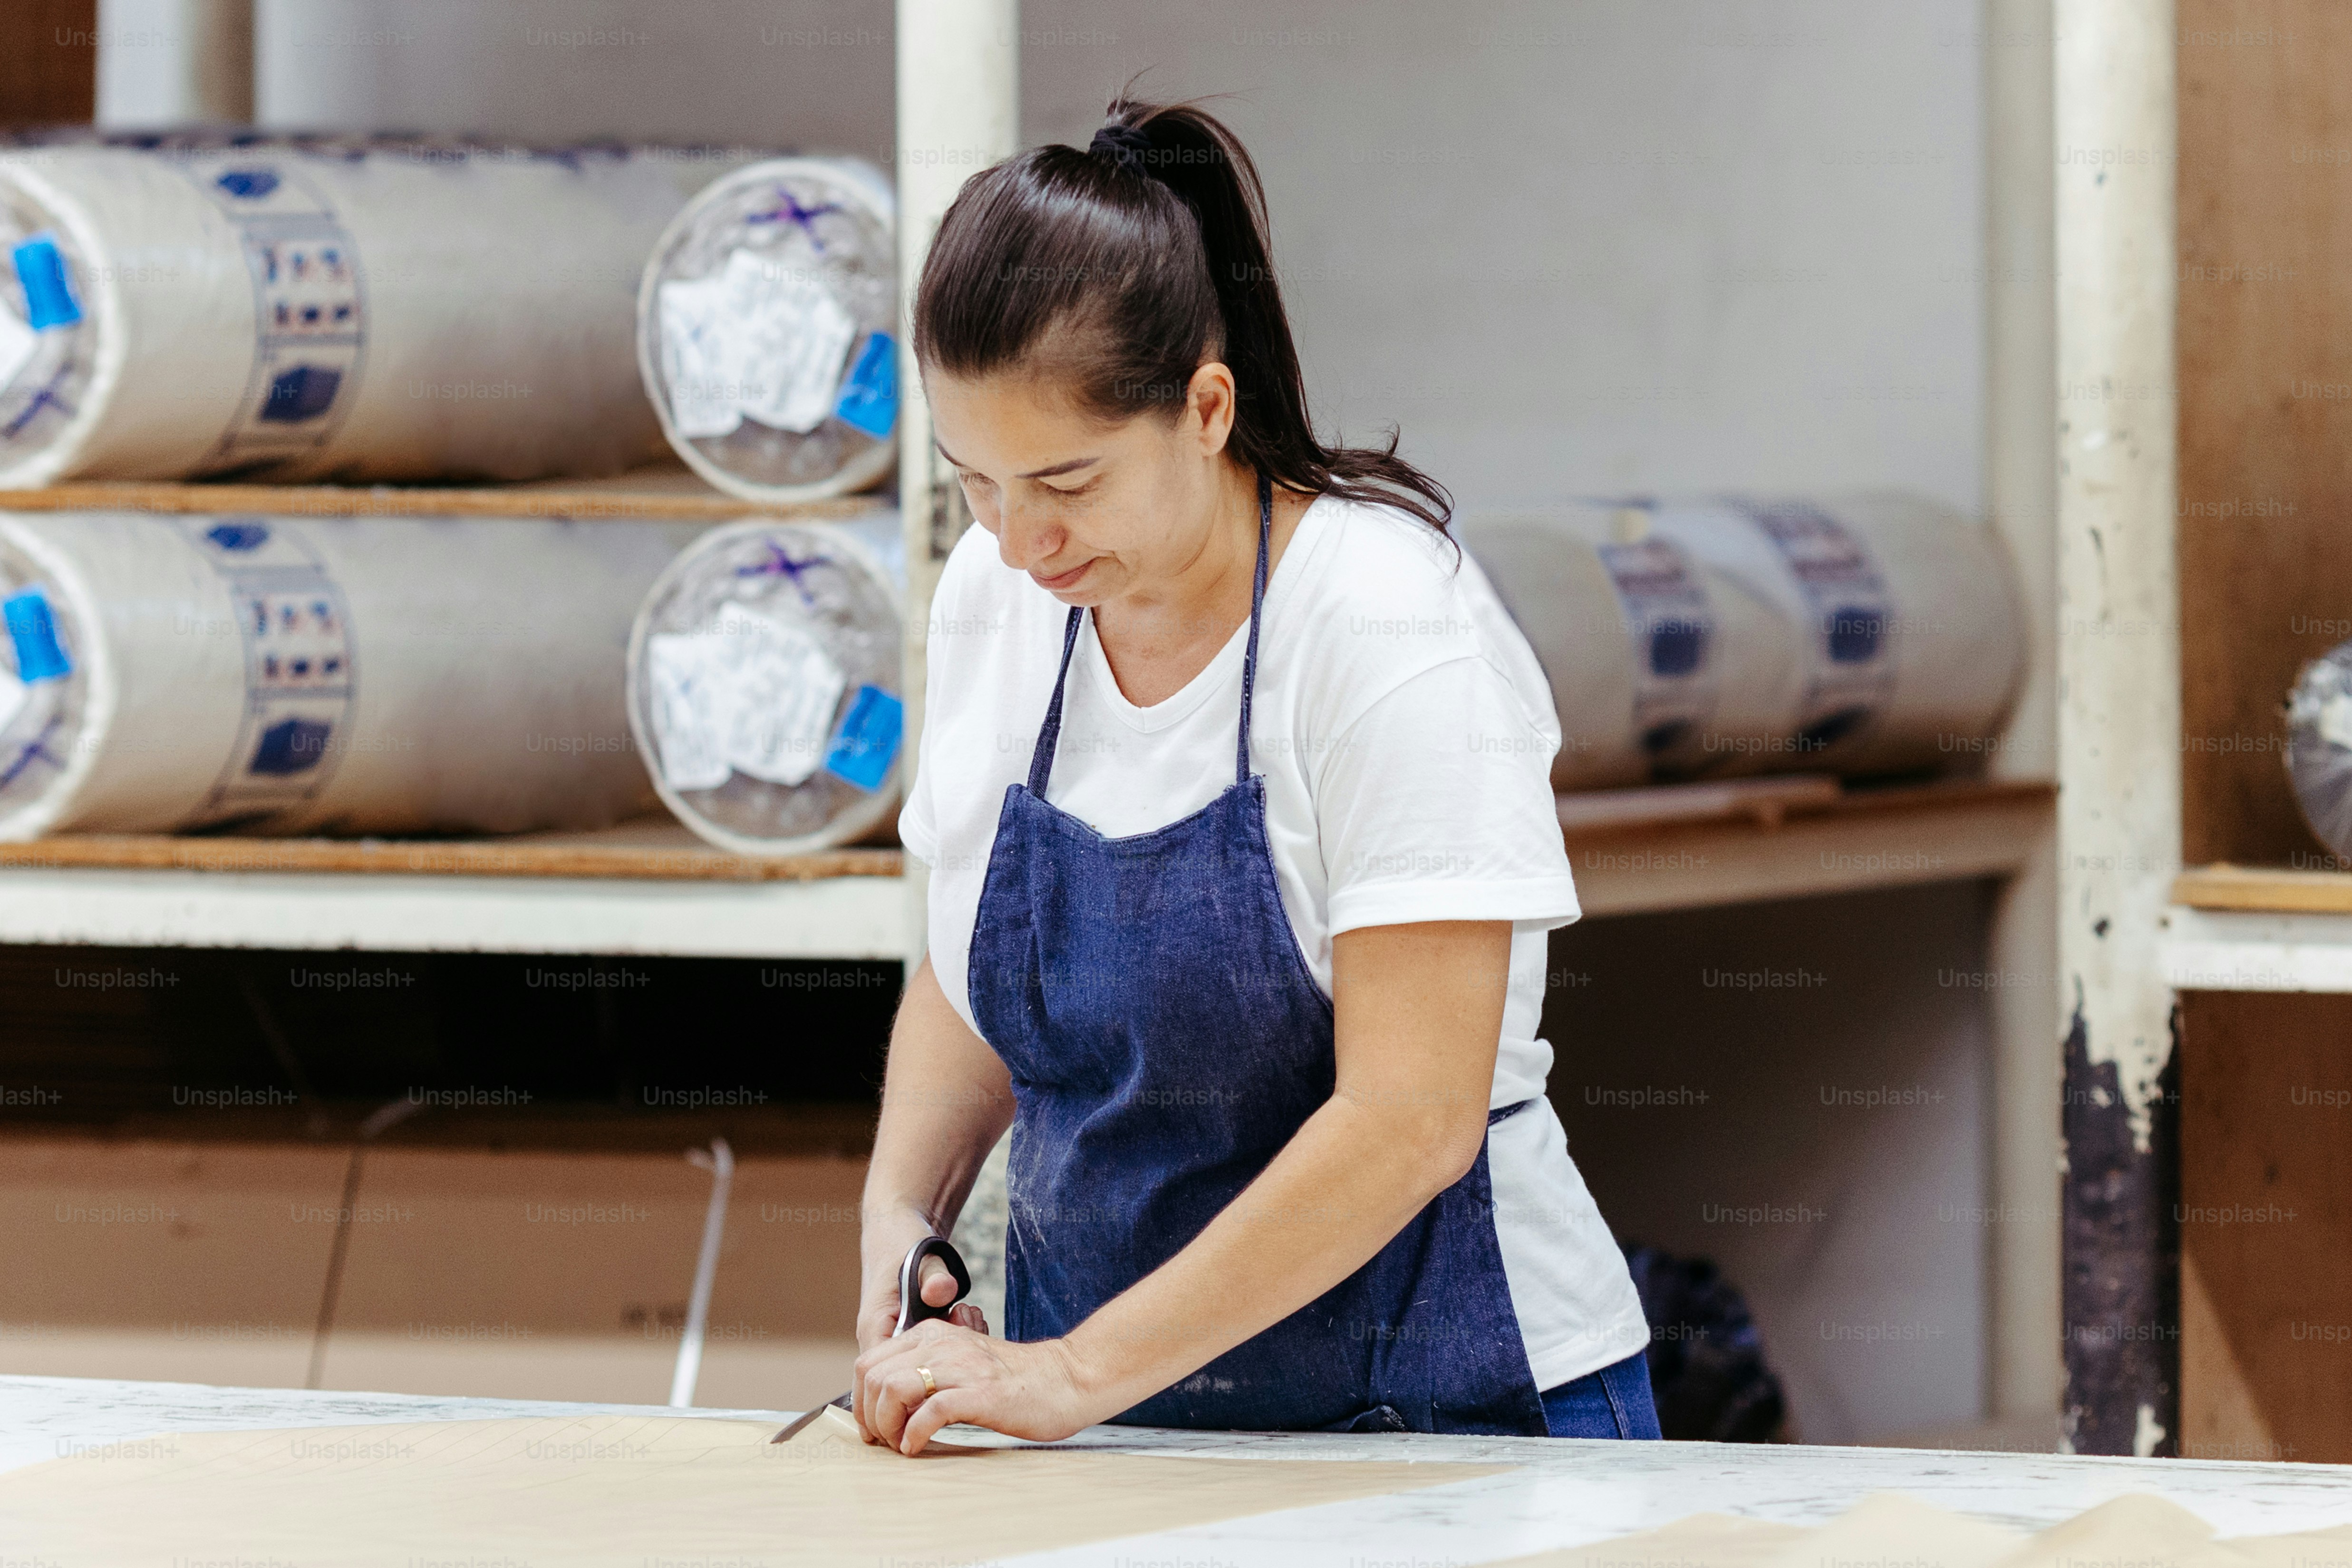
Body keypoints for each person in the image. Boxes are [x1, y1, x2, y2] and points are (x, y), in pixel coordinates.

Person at [852, 94, 1656, 1455]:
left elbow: (1410, 1118)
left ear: (1207, 408)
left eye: (1067, 479)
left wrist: (1067, 1376)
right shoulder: (997, 596)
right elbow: (962, 955)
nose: (1021, 537)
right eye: (976, 482)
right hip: (1116, 1418)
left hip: (1452, 1420)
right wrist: (898, 1214)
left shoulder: (1385, 620)